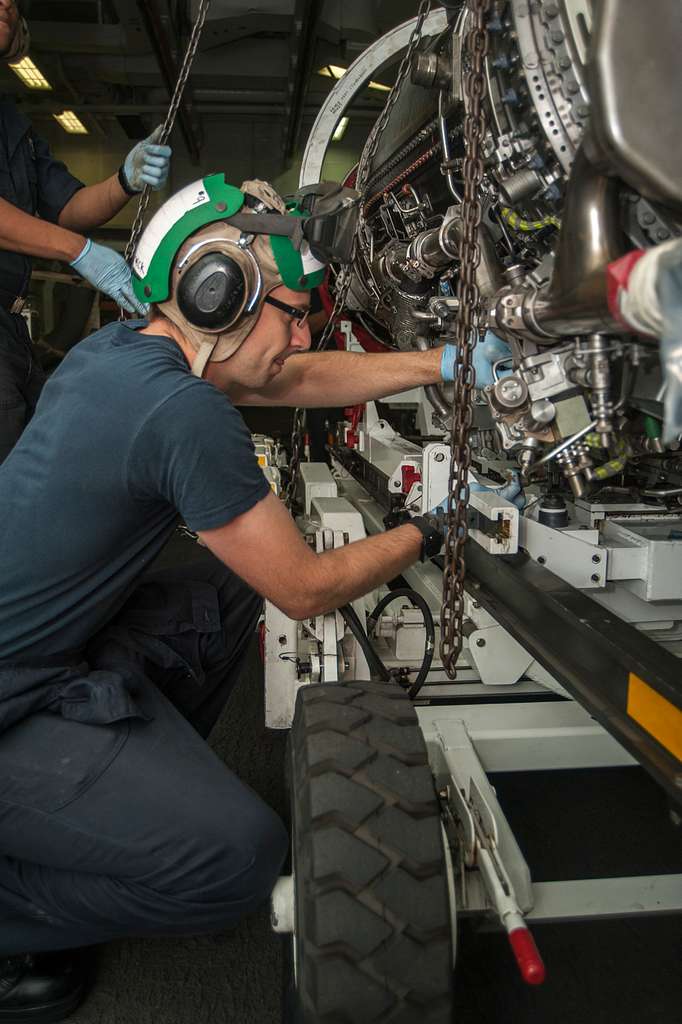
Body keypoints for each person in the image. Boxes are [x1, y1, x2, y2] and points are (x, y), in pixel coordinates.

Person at [0, 172, 488, 1021]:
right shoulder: (179, 413)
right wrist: (430, 530)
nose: (302, 333)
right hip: (10, 698)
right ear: (215, 294)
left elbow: (291, 382)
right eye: (293, 310)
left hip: (43, 654)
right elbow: (302, 591)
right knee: (239, 860)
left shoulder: (122, 353)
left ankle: (103, 810)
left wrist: (440, 362)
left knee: (224, 590)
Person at [0, 0, 172, 461]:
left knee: (40, 454)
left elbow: (68, 209)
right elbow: (66, 235)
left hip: (10, 332)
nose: (5, 5)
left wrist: (123, 180)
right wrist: (80, 252)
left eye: (12, 2)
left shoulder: (13, 125)